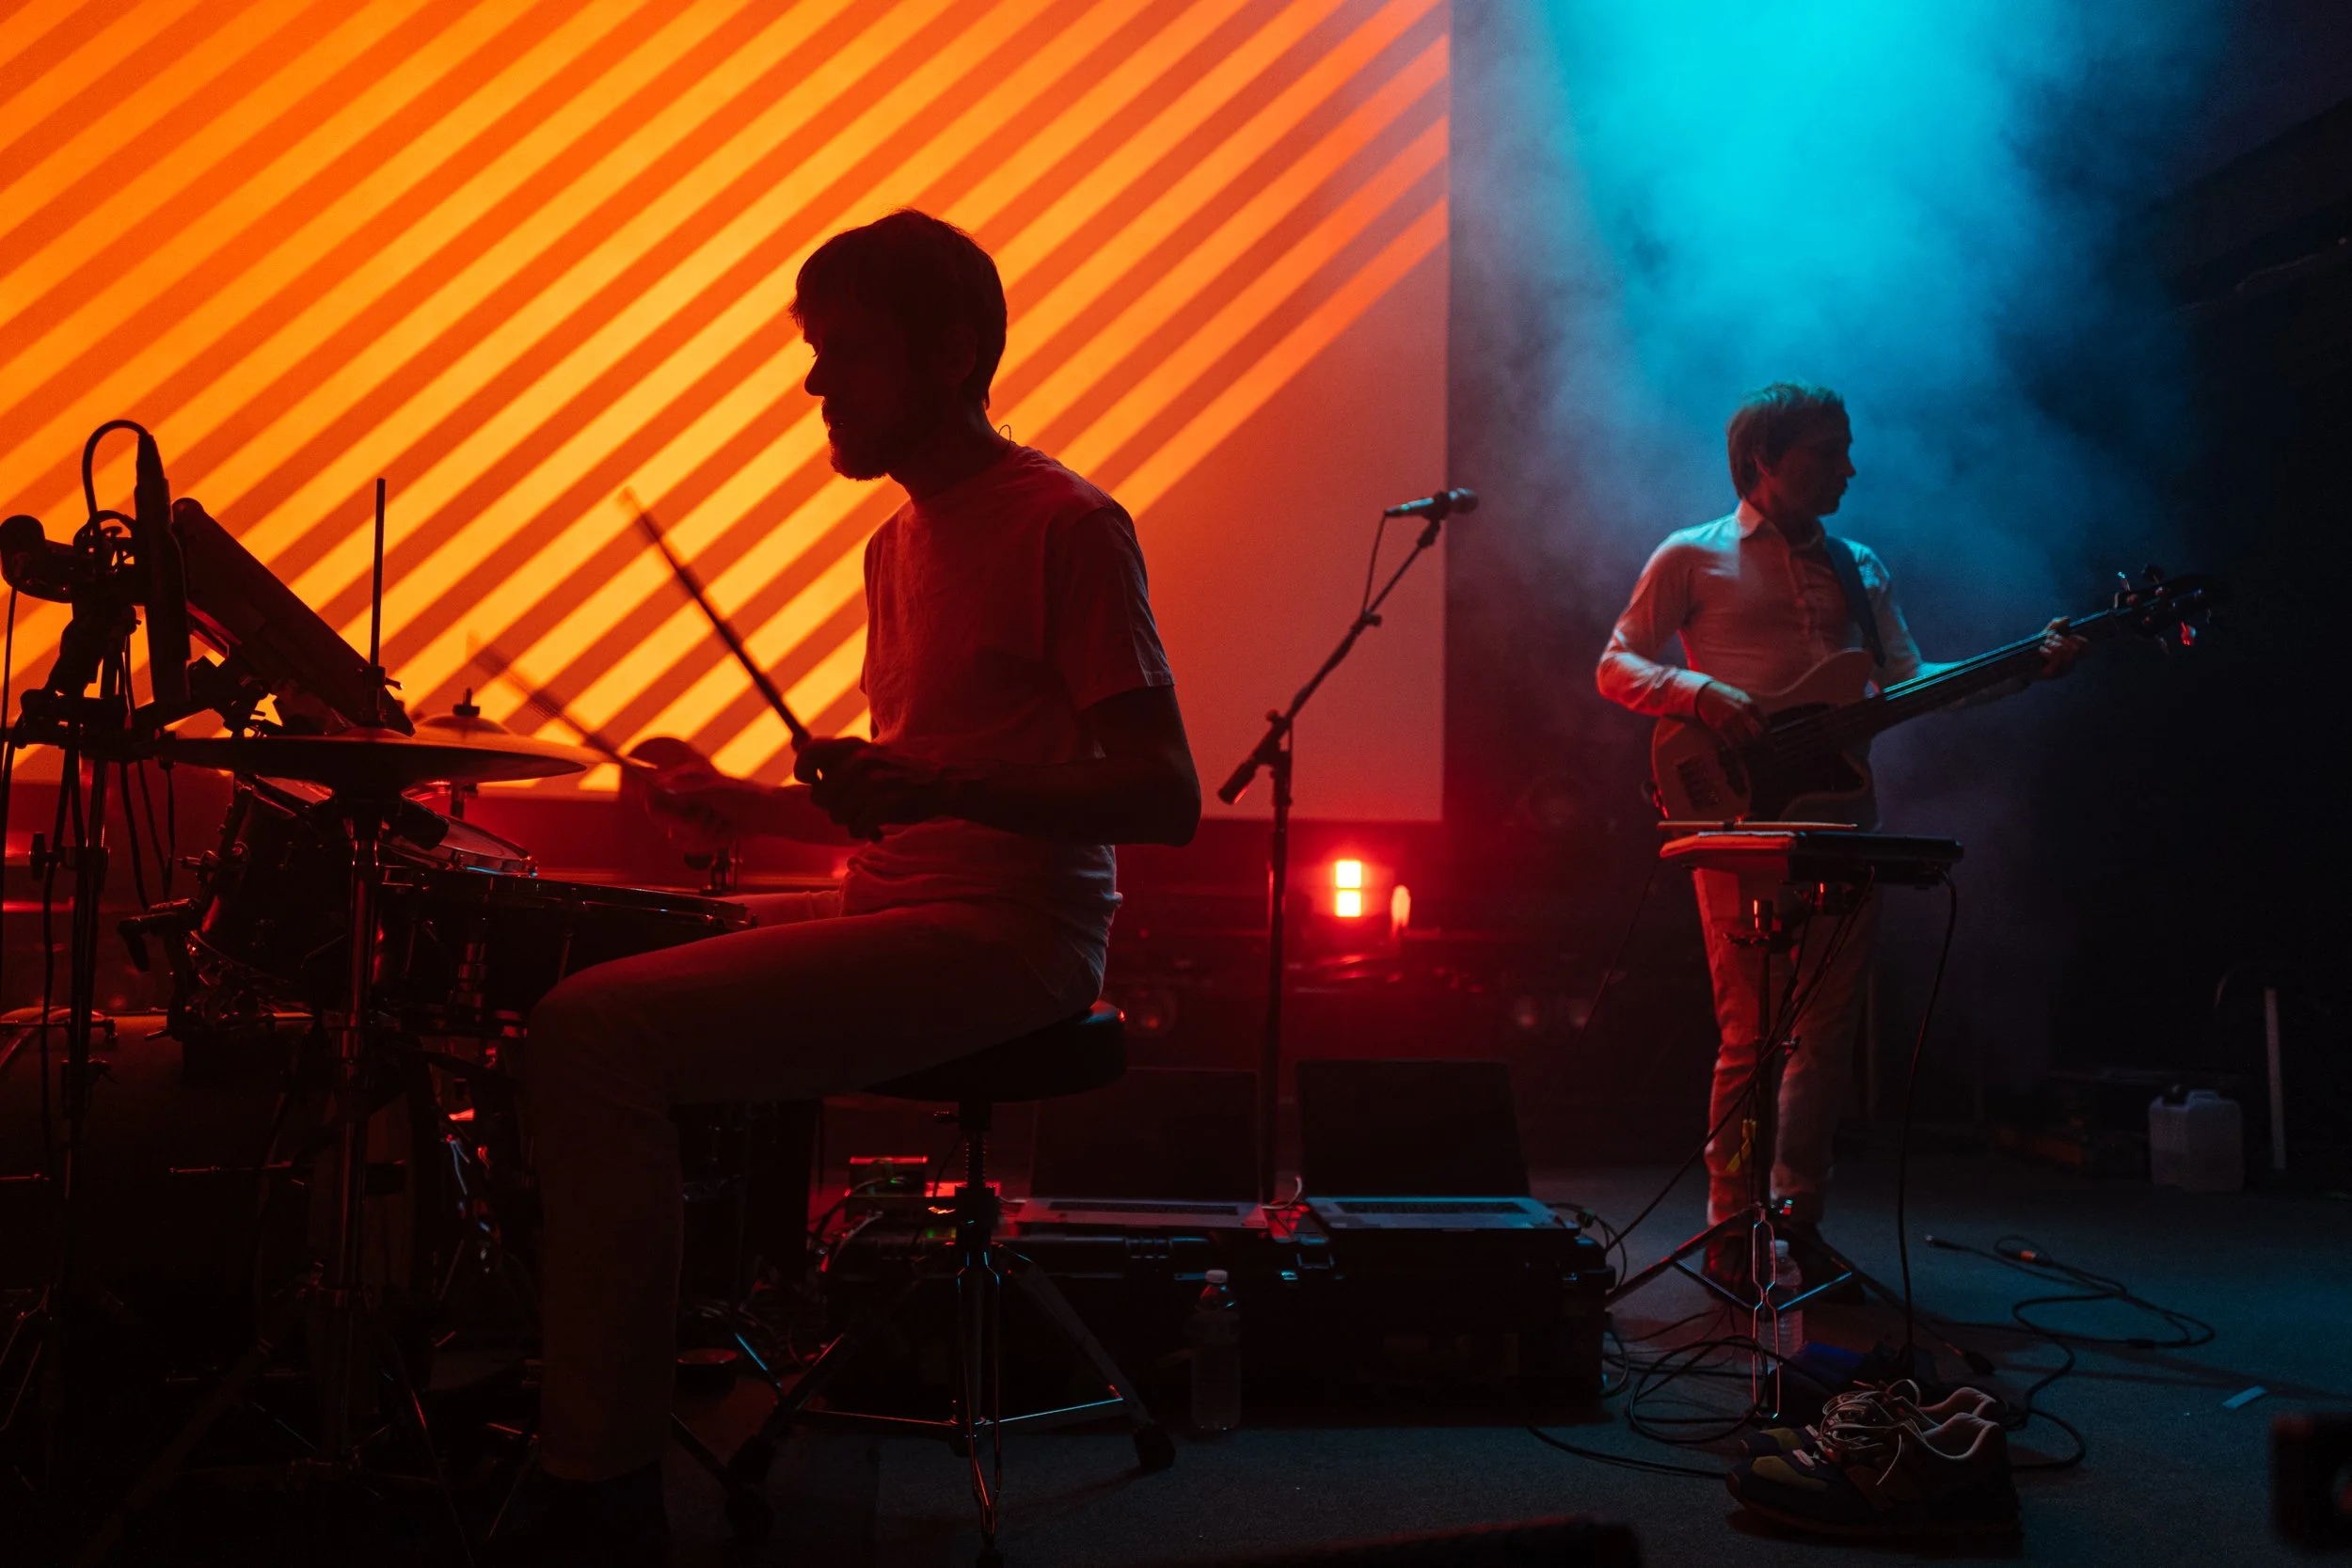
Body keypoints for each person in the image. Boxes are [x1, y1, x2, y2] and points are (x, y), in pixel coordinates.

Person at [497, 210, 1200, 1564]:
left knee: (597, 1032)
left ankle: (603, 1480)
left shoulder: (1065, 523)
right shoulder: (900, 543)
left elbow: (1160, 794)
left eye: (845, 355)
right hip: (902, 902)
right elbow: (914, 780)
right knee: (572, 984)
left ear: (952, 354)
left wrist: (934, 787)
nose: (815, 386)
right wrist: (742, 801)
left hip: (1015, 933)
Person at [1594, 383, 2082, 1279]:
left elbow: (1908, 678)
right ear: (1764, 462)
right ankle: (1729, 1217)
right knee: (1748, 1033)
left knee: (1827, 1032)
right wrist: (1699, 691)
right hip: (1736, 823)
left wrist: (2026, 668)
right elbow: (1616, 663)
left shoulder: (1860, 566)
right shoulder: (1691, 557)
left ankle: (1799, 1214)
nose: (1849, 467)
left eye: (1845, 448)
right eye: (1827, 451)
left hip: (1844, 823)